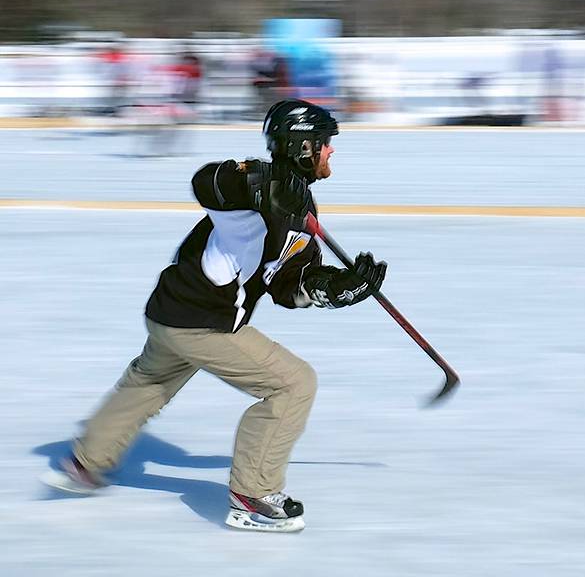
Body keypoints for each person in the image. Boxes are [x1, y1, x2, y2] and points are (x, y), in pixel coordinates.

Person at [44, 99, 387, 533]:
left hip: (170, 313)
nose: (331, 151)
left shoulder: (302, 211)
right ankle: (254, 495)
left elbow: (288, 282)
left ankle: (85, 463)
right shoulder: (253, 186)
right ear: (304, 147)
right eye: (325, 143)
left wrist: (337, 287)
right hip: (203, 323)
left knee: (147, 384)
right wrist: (262, 183)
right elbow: (209, 181)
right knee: (293, 384)